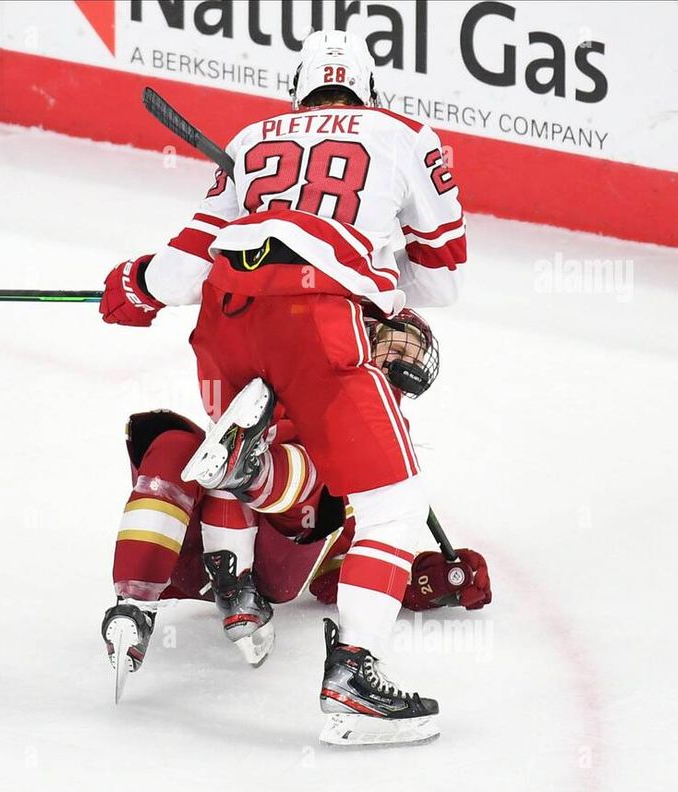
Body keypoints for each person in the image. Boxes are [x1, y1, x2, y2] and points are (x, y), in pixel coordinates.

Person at [98, 30, 468, 745]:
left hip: (227, 317)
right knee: (393, 504)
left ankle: (248, 470)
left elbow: (180, 271)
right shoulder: (405, 133)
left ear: (296, 93)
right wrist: (378, 258)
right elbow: (442, 281)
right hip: (320, 314)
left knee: (265, 457)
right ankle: (353, 676)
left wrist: (134, 285)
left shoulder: (253, 137)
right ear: (372, 92)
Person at [102, 309, 491, 702]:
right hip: (194, 558)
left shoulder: (383, 457)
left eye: (408, 355)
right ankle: (133, 606)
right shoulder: (302, 371)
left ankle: (248, 487)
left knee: (317, 462)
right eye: (396, 341)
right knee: (174, 447)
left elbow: (337, 578)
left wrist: (432, 582)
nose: (399, 357)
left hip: (278, 561)